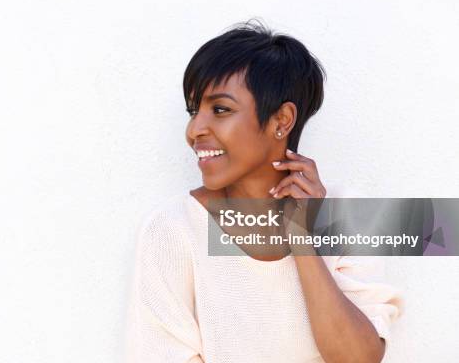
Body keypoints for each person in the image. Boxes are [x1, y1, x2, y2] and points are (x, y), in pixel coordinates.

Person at [124, 21, 403, 362]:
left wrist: (303, 236)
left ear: (282, 120)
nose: (195, 129)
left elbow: (359, 357)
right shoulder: (172, 229)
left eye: (220, 109)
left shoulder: (348, 215)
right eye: (194, 111)